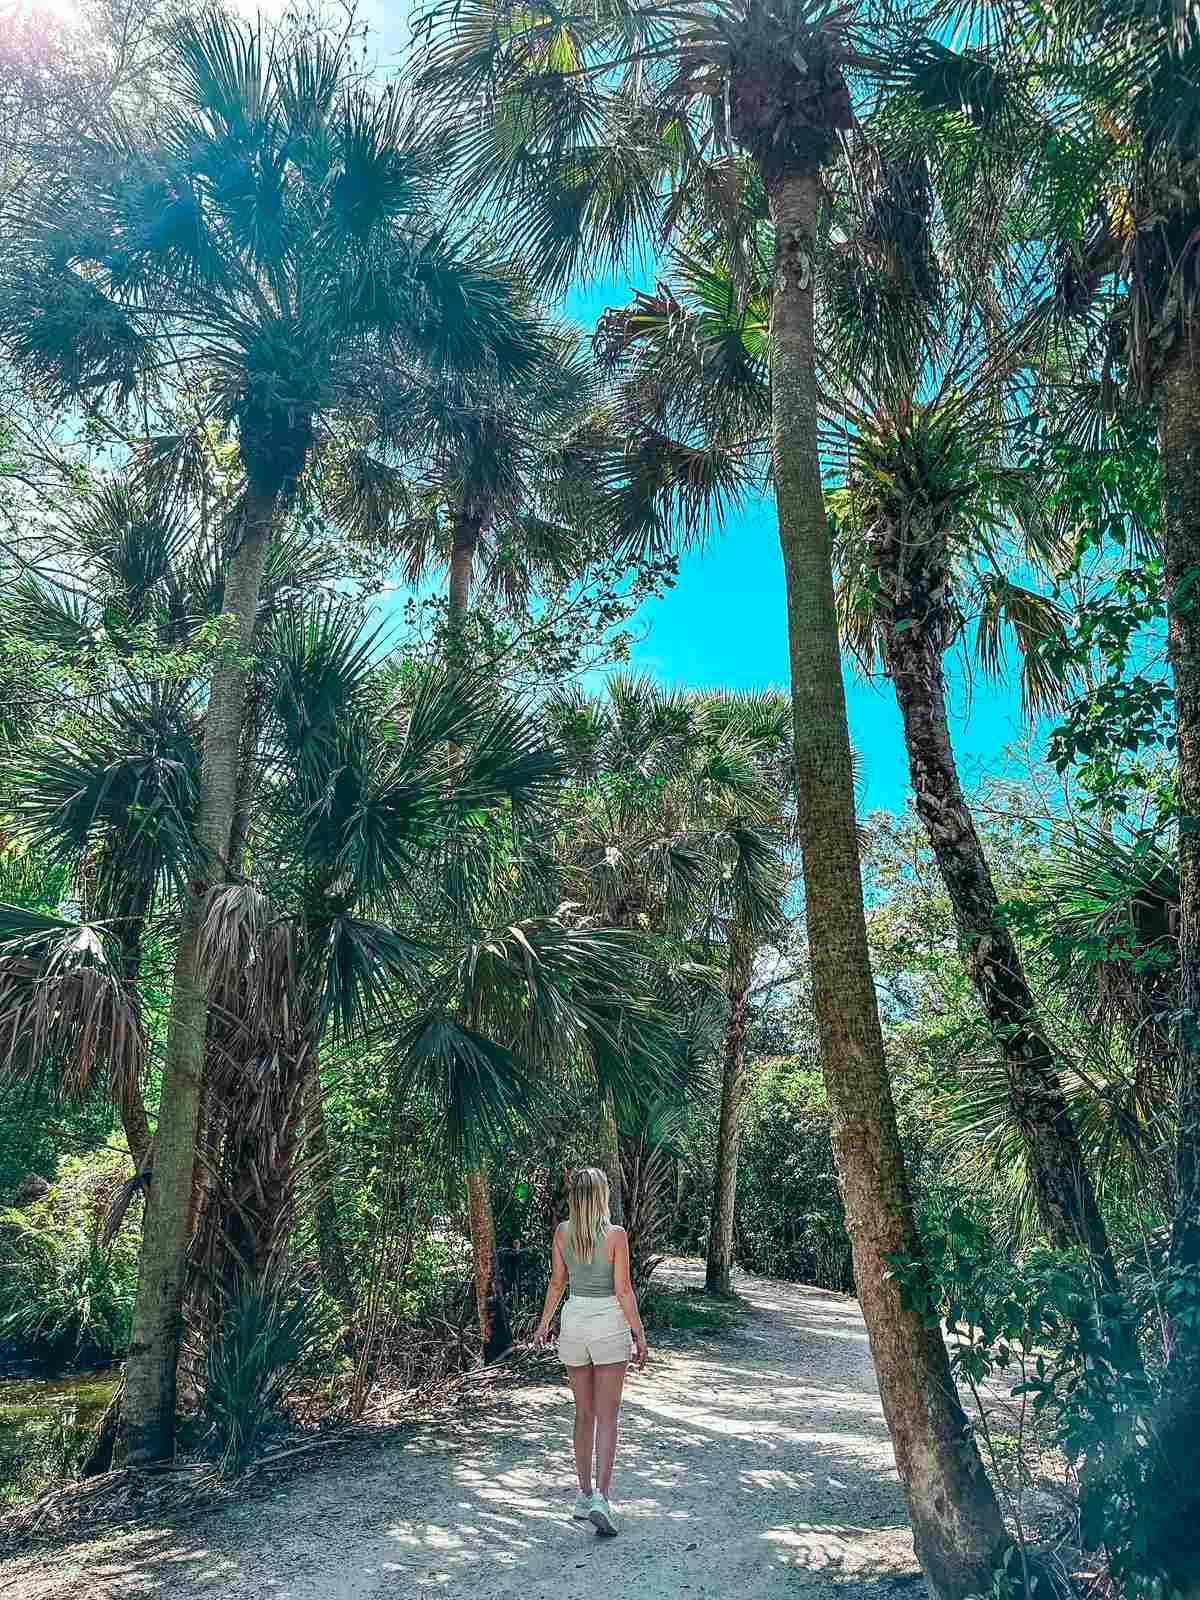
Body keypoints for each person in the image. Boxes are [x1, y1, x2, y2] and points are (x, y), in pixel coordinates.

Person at [533, 1166, 648, 1536]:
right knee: (607, 1416)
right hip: (607, 1324)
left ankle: (583, 1496)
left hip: (575, 1322)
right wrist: (639, 1334)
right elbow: (624, 1290)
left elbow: (556, 1283)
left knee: (583, 1414)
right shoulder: (615, 1235)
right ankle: (602, 1497)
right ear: (601, 1196)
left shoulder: (562, 1233)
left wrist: (543, 1323)